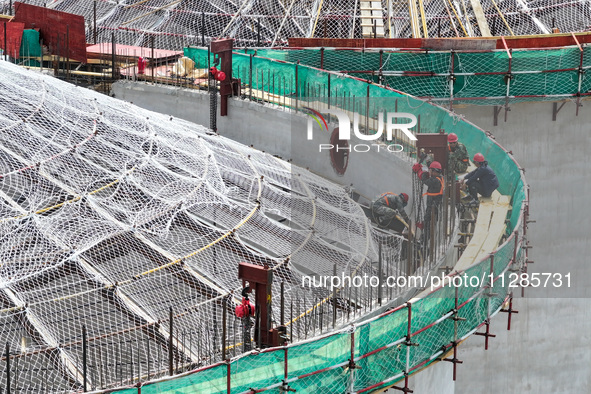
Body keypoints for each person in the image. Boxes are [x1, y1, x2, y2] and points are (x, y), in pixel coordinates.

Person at [412, 161, 444, 239]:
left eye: (430, 171)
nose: (429, 172)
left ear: (435, 171)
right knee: (427, 219)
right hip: (432, 203)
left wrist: (421, 173)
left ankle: (425, 239)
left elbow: (425, 181)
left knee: (428, 221)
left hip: (433, 205)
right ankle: (425, 233)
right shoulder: (439, 178)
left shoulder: (436, 180)